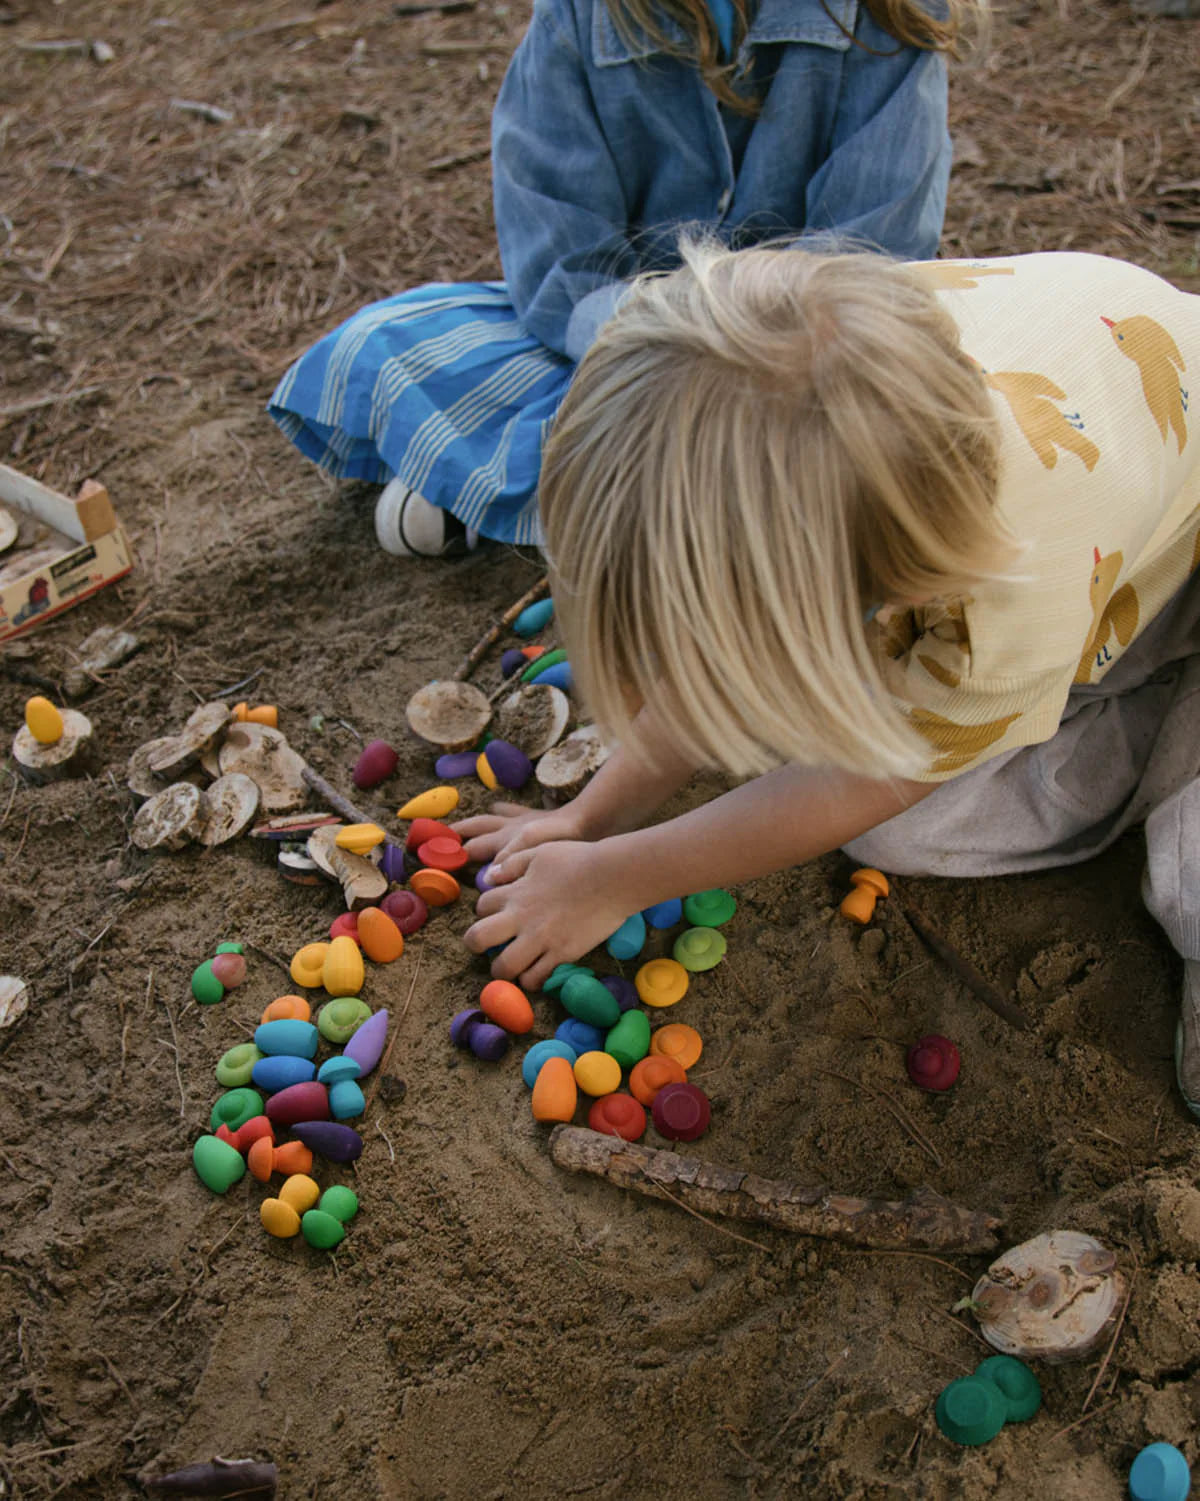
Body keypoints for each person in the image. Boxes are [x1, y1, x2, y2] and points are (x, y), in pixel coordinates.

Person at [456, 241, 1200, 1117]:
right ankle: (1087, 703)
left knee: (1144, 868)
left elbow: (864, 784)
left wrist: (617, 878)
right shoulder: (839, 366)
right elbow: (724, 653)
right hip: (1125, 539)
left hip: (1136, 570)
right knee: (875, 786)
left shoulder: (1001, 600)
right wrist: (594, 815)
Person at [267, 0, 978, 557]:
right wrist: (674, 344)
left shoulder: (890, 17)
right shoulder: (582, 15)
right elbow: (560, 266)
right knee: (382, 342)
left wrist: (741, 345)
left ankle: (539, 490)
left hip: (802, 367)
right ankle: (659, 500)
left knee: (873, 428)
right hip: (625, 348)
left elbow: (874, 260)